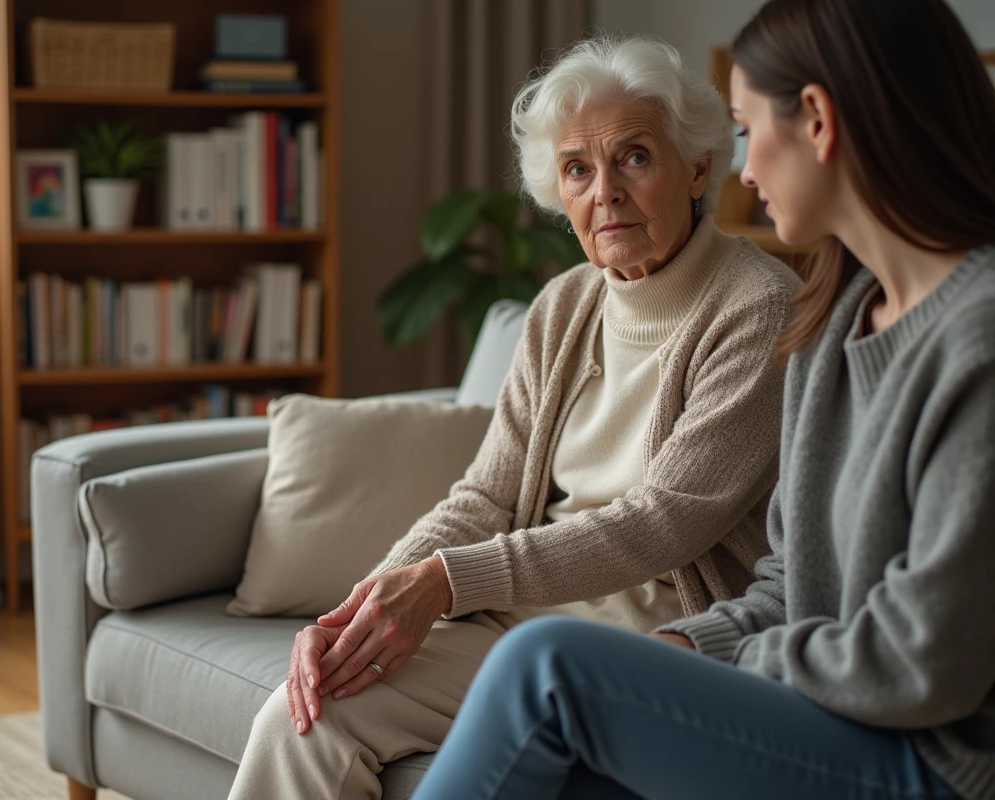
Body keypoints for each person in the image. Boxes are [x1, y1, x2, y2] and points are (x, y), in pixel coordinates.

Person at [409, 1, 995, 798]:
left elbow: (924, 661)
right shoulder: (836, 321)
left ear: (817, 121)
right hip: (825, 712)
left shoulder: (975, 340)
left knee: (541, 665)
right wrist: (690, 651)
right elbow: (790, 582)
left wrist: (712, 664)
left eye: (749, 129)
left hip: (931, 761)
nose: (743, 170)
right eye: (578, 169)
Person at [228, 36, 801, 800]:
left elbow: (661, 522)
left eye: (634, 157)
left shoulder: (758, 307)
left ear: (697, 166)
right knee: (309, 714)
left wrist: (445, 582)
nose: (606, 192)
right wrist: (366, 606)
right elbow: (487, 496)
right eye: (578, 169)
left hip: (653, 640)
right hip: (520, 619)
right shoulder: (563, 306)